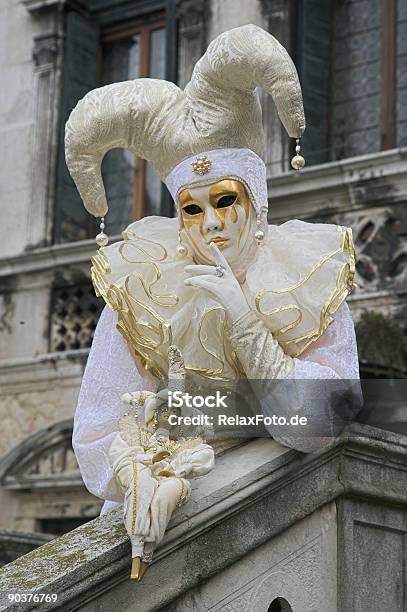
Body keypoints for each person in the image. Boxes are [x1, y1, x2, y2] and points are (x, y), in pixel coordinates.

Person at [66, 24, 361, 575]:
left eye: (227, 200)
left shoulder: (308, 277)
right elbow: (100, 428)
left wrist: (247, 324)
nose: (214, 225)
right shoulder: (144, 287)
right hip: (156, 539)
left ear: (257, 200)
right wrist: (140, 470)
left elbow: (327, 419)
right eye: (193, 210)